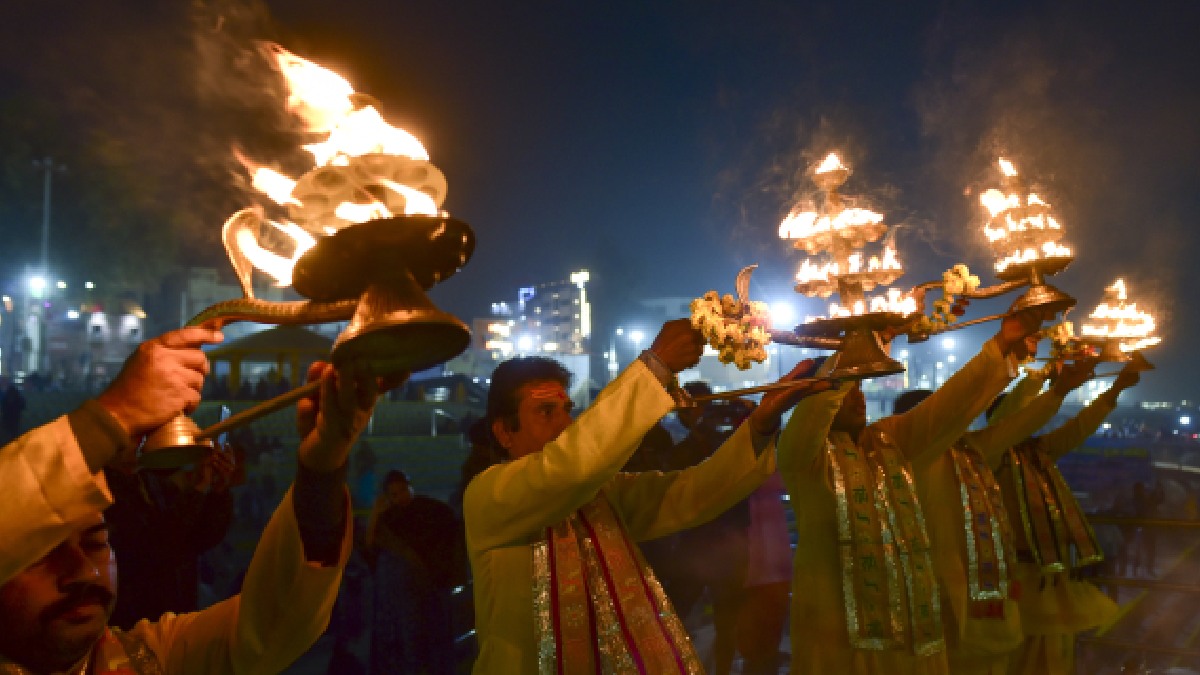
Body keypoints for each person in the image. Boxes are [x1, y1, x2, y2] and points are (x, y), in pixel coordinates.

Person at [0, 326, 395, 674]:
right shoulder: (112, 489)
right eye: (43, 552)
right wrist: (112, 415)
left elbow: (274, 620)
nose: (83, 571)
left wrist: (323, 465)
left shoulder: (151, 658)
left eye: (96, 543)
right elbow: (160, 544)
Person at [462, 318, 831, 674]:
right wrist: (654, 368)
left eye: (567, 410)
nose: (565, 424)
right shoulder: (489, 495)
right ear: (504, 432)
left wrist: (761, 424)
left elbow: (689, 493)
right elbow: (570, 466)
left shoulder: (598, 497)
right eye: (546, 412)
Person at [777, 308, 1045, 675]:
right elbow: (809, 421)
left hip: (910, 630)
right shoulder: (803, 458)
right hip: (837, 632)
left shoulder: (888, 441)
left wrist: (1000, 344)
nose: (857, 397)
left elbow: (947, 405)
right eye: (846, 390)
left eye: (860, 388)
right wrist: (853, 352)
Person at [894, 355, 1098, 675]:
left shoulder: (972, 452)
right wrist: (1033, 375)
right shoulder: (909, 460)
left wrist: (1058, 389)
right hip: (938, 598)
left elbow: (1018, 425)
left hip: (993, 599)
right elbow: (1008, 419)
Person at [995, 358, 1143, 675]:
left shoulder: (1038, 451)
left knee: (1053, 658)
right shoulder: (988, 458)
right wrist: (1047, 382)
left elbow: (1079, 427)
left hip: (1049, 577)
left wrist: (1116, 388)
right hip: (1012, 579)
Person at [102, 448, 236, 628]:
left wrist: (217, 492)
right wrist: (197, 490)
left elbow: (199, 539)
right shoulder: (103, 491)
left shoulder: (152, 483)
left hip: (175, 618)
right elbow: (155, 548)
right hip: (136, 623)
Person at [365, 470, 462, 675]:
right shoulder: (389, 519)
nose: (401, 497)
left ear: (410, 487)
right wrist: (375, 513)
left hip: (429, 588)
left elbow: (450, 530)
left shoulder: (430, 510)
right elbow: (371, 544)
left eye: (403, 490)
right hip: (401, 598)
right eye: (394, 494)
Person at [0, 375, 26, 444]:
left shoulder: (12, 391)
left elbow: (20, 403)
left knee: (10, 432)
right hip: (11, 416)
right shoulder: (11, 391)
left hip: (11, 416)